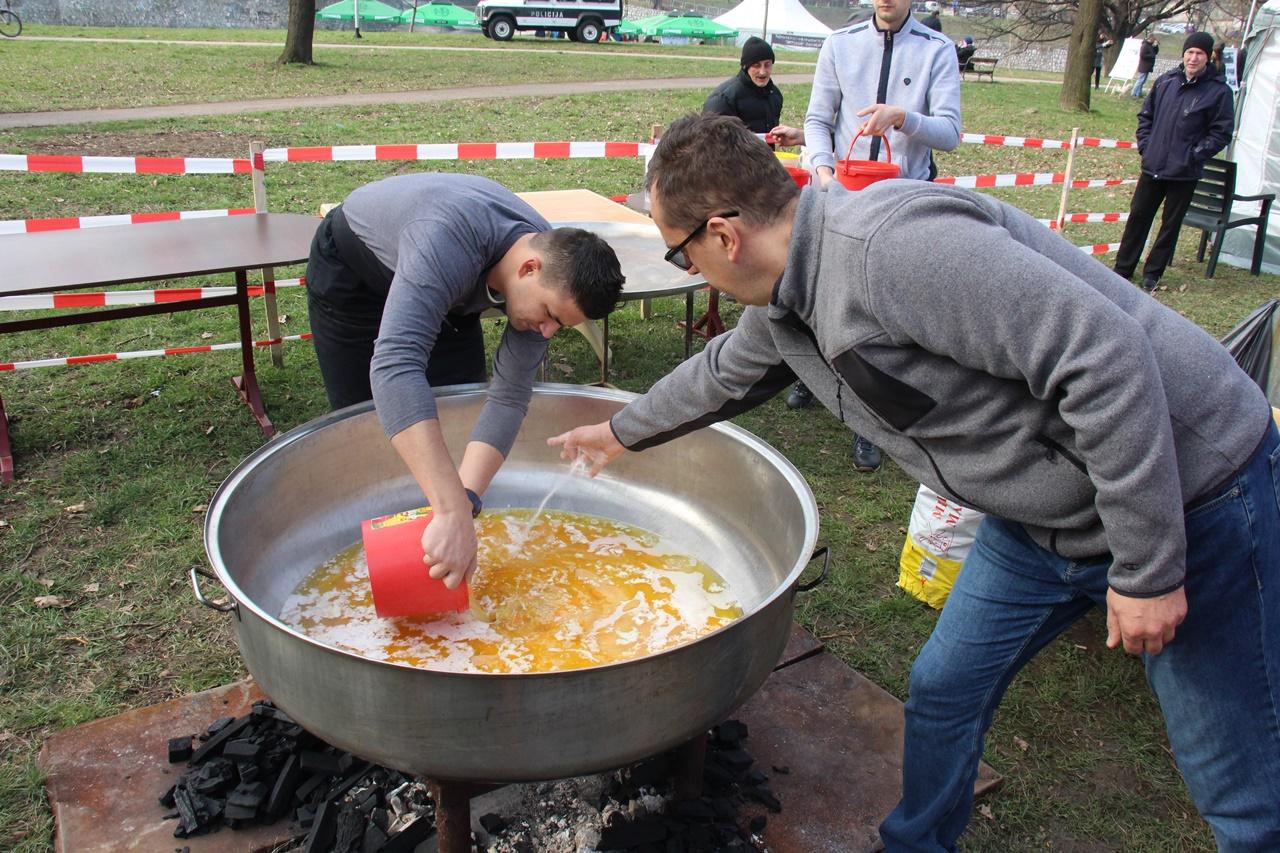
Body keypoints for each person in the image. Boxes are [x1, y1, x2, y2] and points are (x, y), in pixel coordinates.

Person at [549, 113, 1280, 853]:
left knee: (1238, 782)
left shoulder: (891, 252)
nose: (693, 274)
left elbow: (1105, 358)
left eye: (684, 258)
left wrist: (1149, 569)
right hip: (1039, 518)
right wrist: (618, 432)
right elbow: (724, 371)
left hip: (1189, 492)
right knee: (944, 689)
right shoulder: (788, 295)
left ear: (723, 235)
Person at [305, 173, 624, 588]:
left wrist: (465, 502)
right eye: (549, 315)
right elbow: (395, 365)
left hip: (453, 285)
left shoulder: (548, 269)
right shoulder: (445, 240)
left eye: (560, 326)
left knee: (450, 437)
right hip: (357, 276)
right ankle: (375, 579)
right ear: (529, 268)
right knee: (370, 428)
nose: (547, 333)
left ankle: (437, 567)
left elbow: (509, 397)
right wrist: (450, 509)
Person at [773, 0, 961, 473]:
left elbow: (951, 132)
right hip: (840, 196)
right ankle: (814, 376)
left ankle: (867, 421)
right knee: (823, 295)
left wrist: (904, 117)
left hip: (900, 205)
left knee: (877, 315)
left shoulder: (936, 49)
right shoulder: (840, 44)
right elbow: (818, 120)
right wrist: (821, 169)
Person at [1114, 32, 1234, 292]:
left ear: (1208, 57)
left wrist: (1195, 154)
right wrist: (1146, 146)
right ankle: (1123, 268)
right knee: (1139, 217)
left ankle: (1152, 273)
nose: (1193, 58)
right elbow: (1146, 116)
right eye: (1189, 52)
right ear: (1183, 54)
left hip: (1184, 171)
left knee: (1170, 225)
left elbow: (1221, 132)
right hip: (1153, 164)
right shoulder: (1166, 82)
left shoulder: (1218, 92)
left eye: (1199, 54)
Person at [703, 36, 783, 136]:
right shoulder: (723, 99)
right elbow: (709, 141)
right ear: (746, 66)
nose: (762, 72)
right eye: (756, 65)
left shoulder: (775, 95)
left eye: (767, 65)